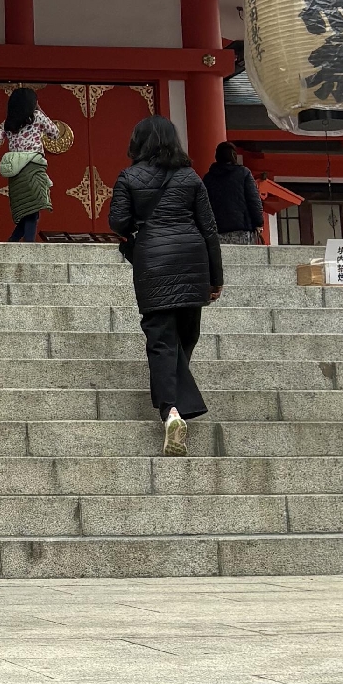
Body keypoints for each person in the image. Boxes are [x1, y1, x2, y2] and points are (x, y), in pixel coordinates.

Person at [108, 113, 223, 459]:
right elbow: (209, 229)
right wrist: (216, 278)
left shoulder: (128, 177)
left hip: (153, 264)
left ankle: (171, 411)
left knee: (161, 340)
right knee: (186, 336)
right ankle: (175, 403)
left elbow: (117, 221)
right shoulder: (191, 178)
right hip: (191, 262)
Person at [0, 87, 56, 244]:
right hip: (33, 166)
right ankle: (28, 243)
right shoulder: (37, 117)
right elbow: (55, 133)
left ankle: (14, 240)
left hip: (15, 172)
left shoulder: (8, 123)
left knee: (29, 208)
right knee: (33, 207)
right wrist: (41, 110)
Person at [204, 139, 265, 245]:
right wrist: (258, 222)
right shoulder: (244, 173)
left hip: (217, 231)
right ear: (234, 155)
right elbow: (253, 200)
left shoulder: (208, 178)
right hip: (241, 230)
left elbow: (203, 205)